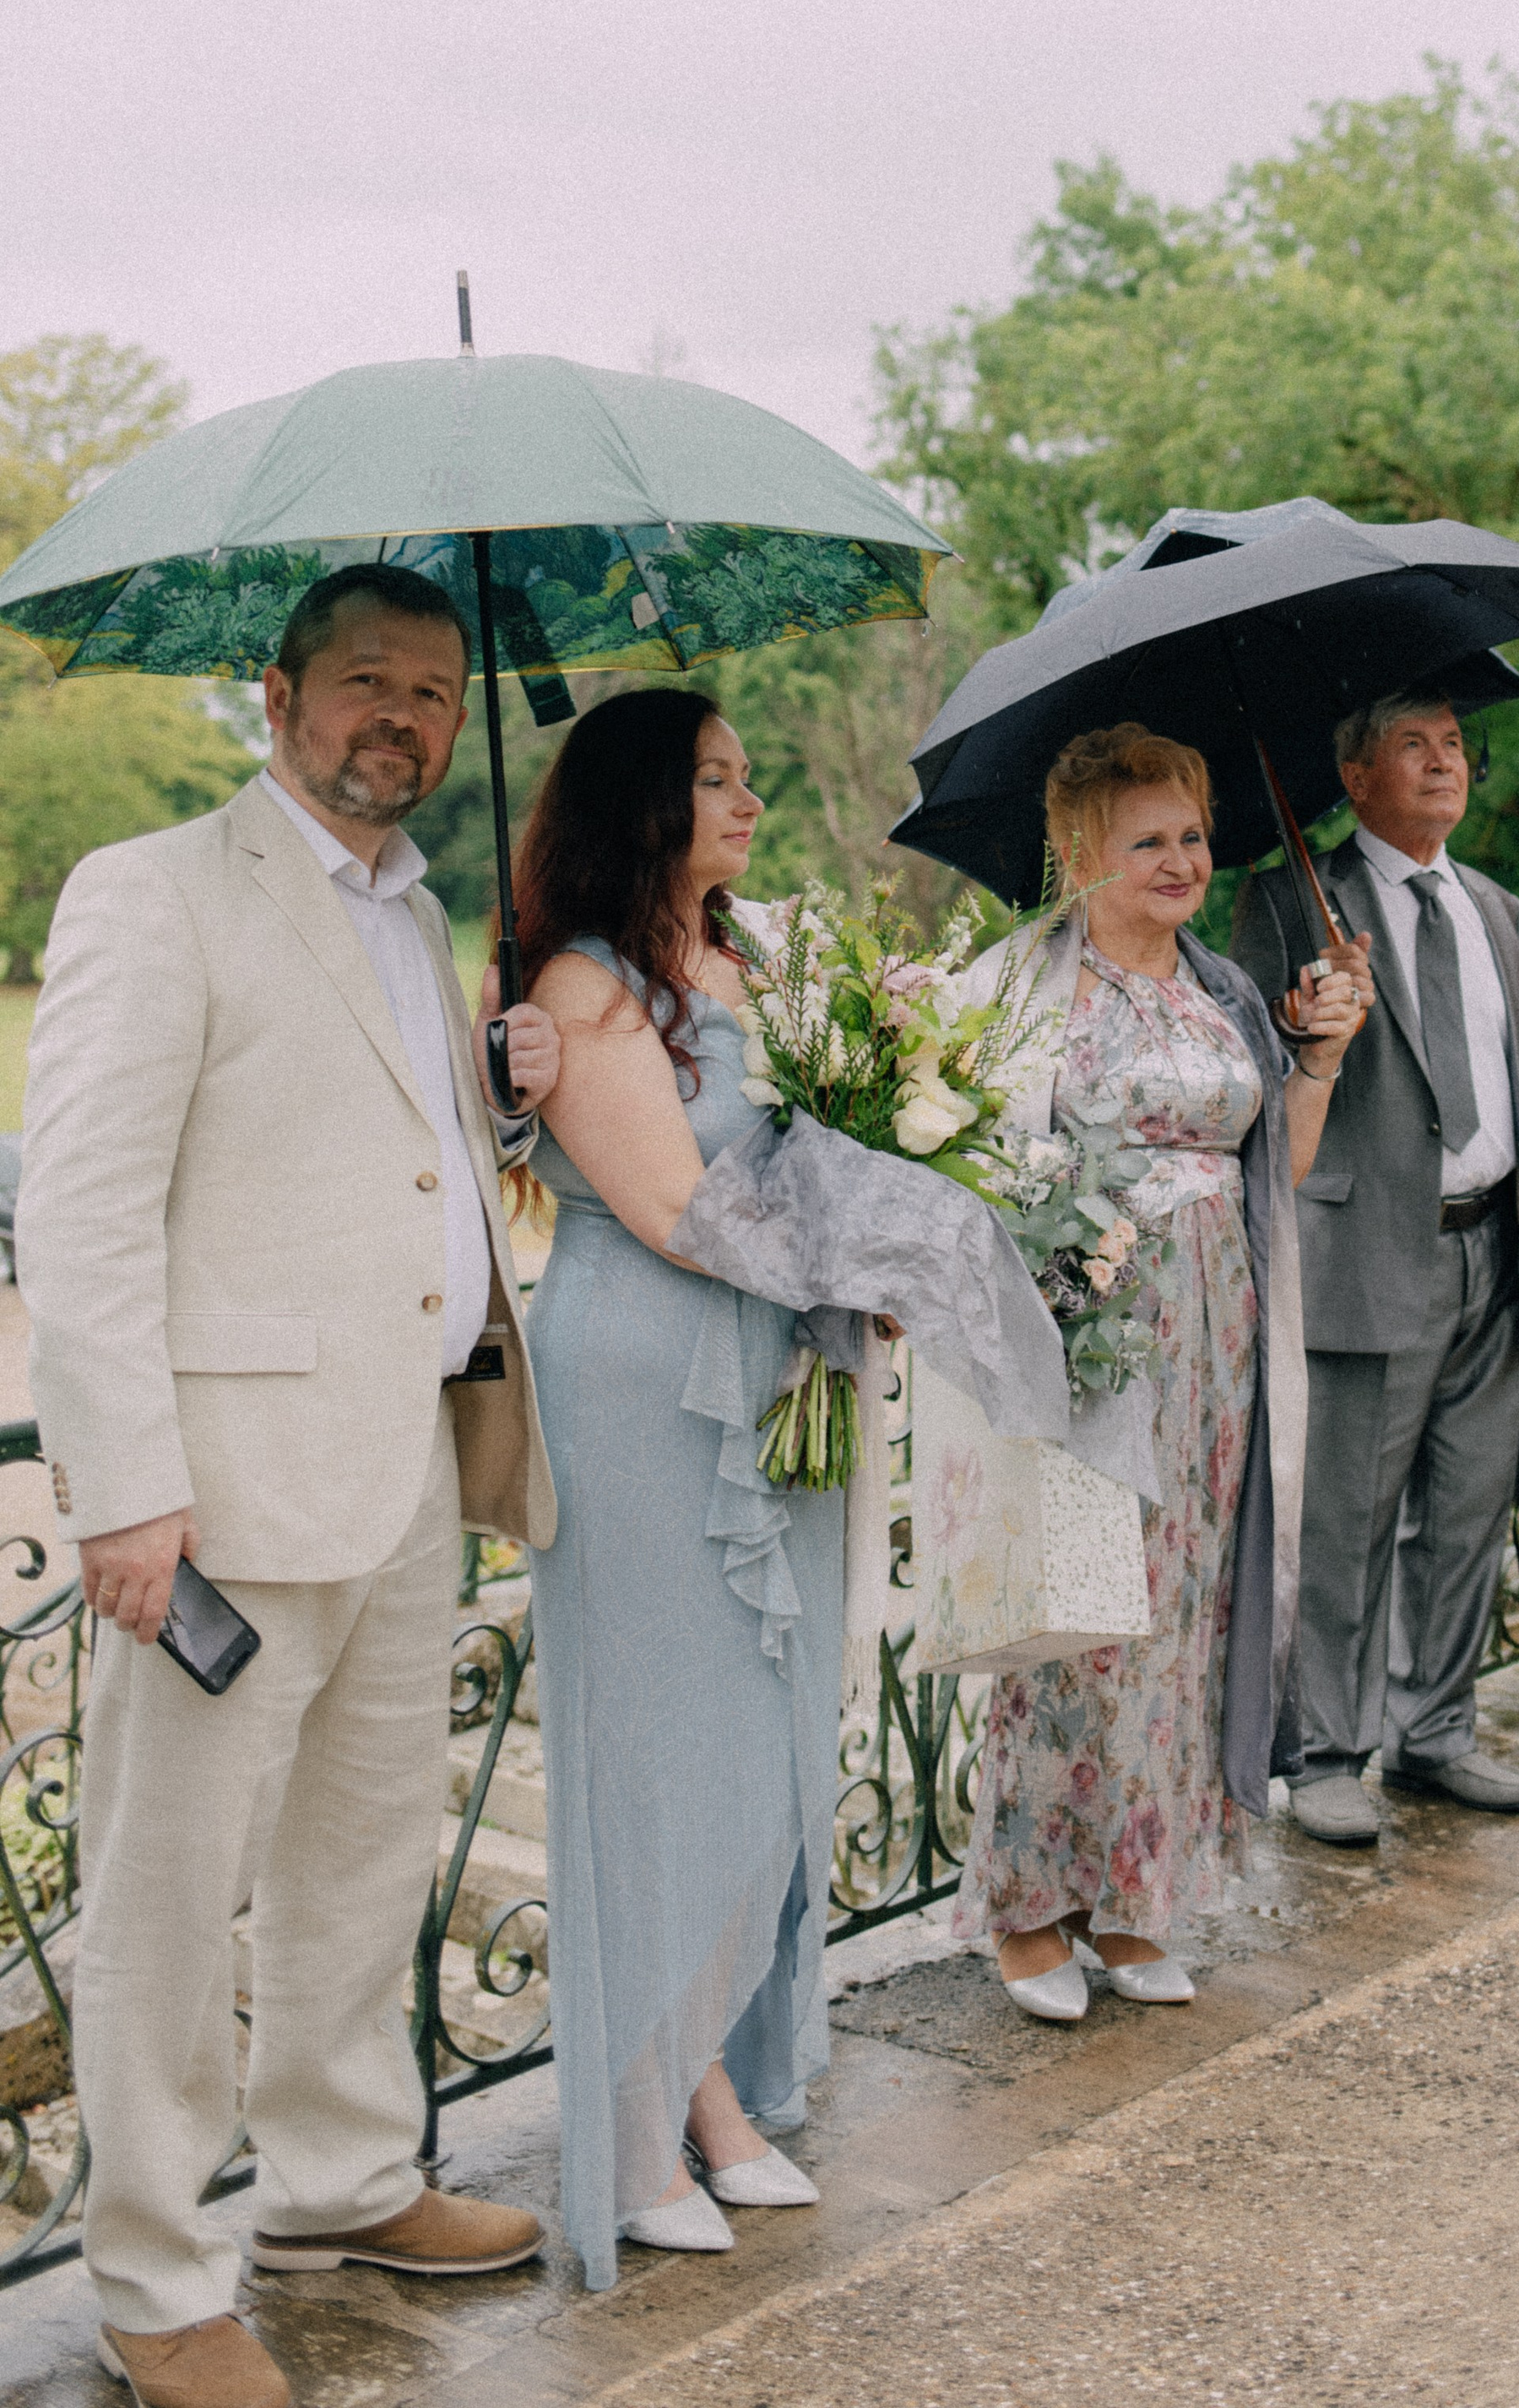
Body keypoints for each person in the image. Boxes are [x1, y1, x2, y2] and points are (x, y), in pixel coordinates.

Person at [17, 564, 559, 2408]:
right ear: (276, 694)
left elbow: (385, 1169)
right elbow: (82, 1208)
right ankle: (156, 2270)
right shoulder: (154, 890)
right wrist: (123, 1489)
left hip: (407, 1459)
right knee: (166, 1894)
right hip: (221, 1501)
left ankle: (337, 2180)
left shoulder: (416, 916)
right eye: (362, 682)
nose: (398, 715)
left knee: (356, 1854)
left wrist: (491, 1104)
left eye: (430, 687)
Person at [954, 723, 1364, 2019]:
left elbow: (1272, 1174)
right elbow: (968, 1173)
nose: (1182, 859)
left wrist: (1321, 1058)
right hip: (1084, 1339)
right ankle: (1031, 1906)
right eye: (1149, 839)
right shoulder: (1022, 987)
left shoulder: (1225, 989)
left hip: (1220, 1337)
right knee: (1074, 1616)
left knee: (1185, 1618)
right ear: (1078, 850)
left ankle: (1134, 1896)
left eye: (1191, 834)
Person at [520, 690, 847, 2283]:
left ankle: (709, 2072)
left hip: (780, 1373)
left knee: (770, 1743)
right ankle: (640, 2120)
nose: (748, 801)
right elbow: (673, 1202)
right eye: (716, 777)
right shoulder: (584, 988)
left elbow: (830, 1137)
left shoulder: (761, 959)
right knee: (663, 1747)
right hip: (647, 1376)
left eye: (746, 772)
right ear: (643, 800)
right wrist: (885, 1234)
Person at [1232, 688, 1519, 1842]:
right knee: (1347, 1515)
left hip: (1493, 1246)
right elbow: (1252, 1079)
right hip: (1367, 1251)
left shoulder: (1494, 906)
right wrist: (1308, 1016)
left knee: (1467, 1508)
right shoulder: (1289, 897)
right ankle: (1323, 1749)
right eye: (1413, 748)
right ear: (1355, 773)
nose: (1444, 764)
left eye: (1455, 747)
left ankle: (1438, 1732)